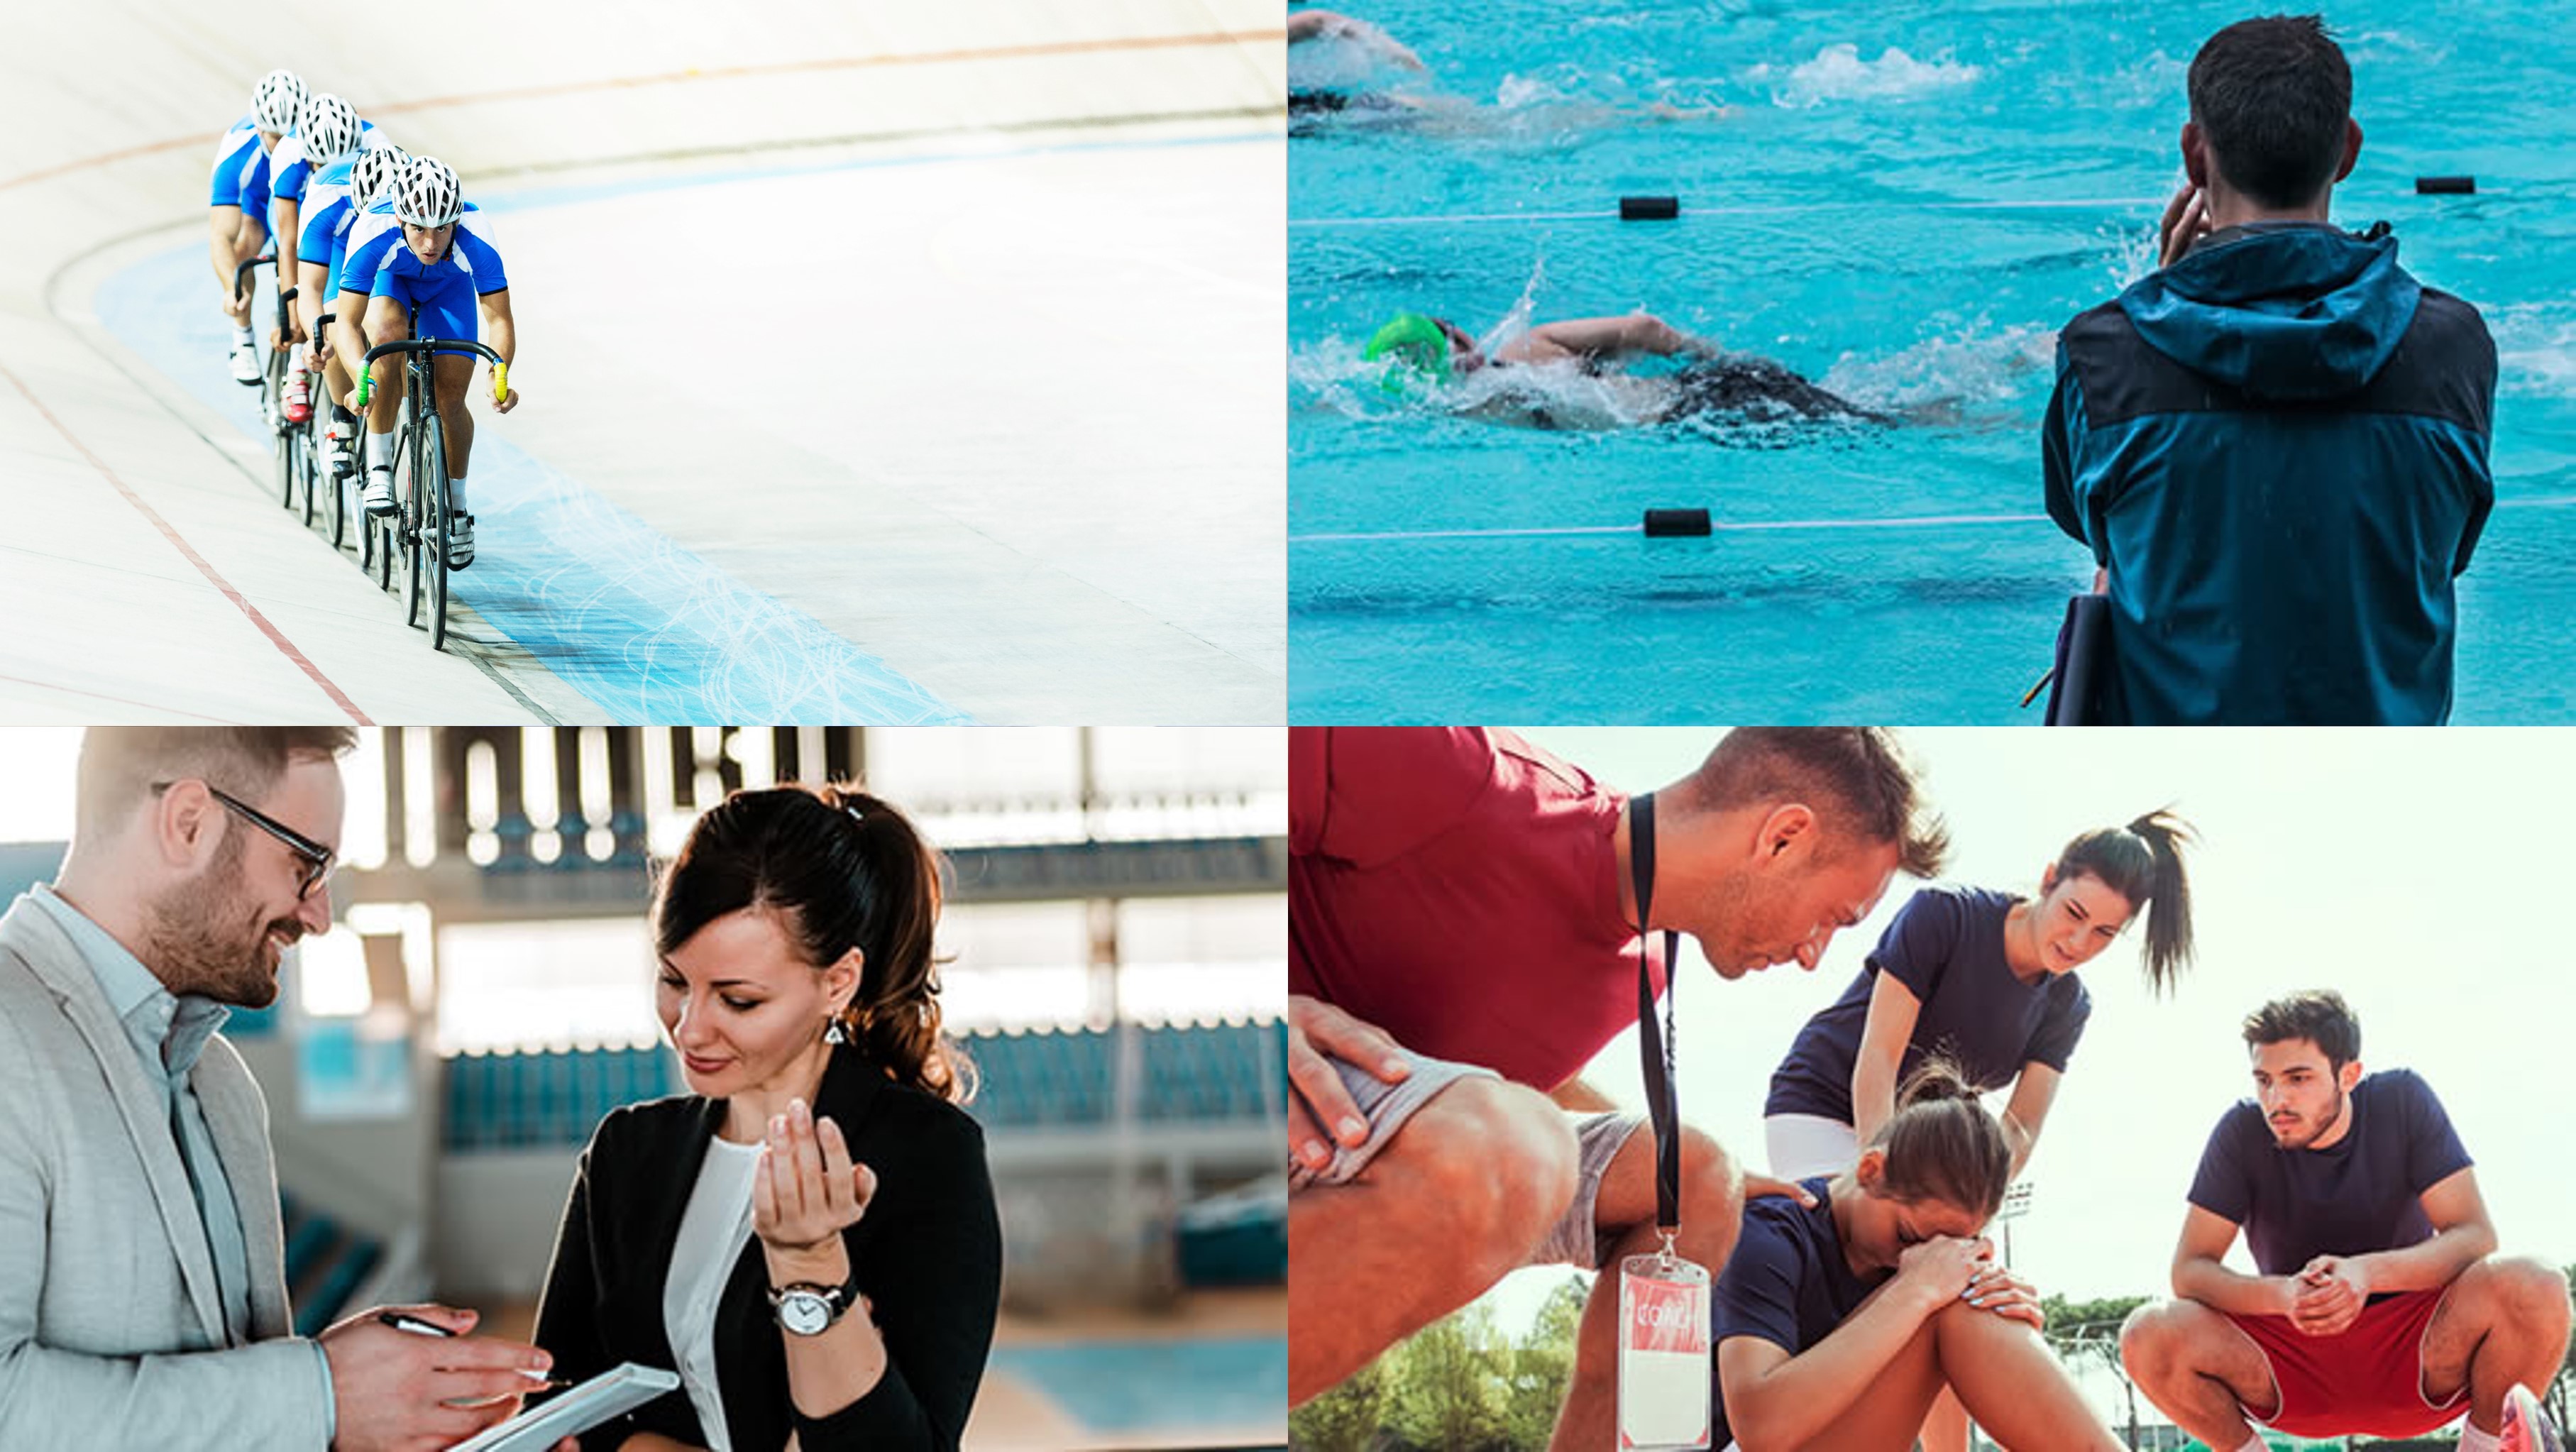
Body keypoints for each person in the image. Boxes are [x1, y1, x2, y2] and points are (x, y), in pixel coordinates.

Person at [1289, 727, 1951, 1451]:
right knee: (1525, 1147)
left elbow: (1511, 1051)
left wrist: (1694, 1176)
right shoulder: (1462, 772)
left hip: (1374, 1126)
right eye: (1831, 918)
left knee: (1698, 1174)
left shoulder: (1645, 969)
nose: (1811, 955)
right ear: (1783, 838)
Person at [0, 727, 561, 1449]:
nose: (318, 914)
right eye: (305, 864)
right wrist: (321, 1393)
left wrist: (367, 1407)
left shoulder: (223, 1084)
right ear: (189, 823)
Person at [2042, 15, 2497, 724]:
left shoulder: (2105, 354)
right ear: (2347, 150)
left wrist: (2160, 298)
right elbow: (2438, 556)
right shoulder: (2452, 345)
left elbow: (2109, 538)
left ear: (2196, 156)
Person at [532, 784, 1001, 1452]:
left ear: (837, 983)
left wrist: (810, 1265)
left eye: (739, 1000)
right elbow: (555, 1409)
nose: (689, 1029)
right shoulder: (626, 1152)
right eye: (673, 981)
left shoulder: (926, 1158)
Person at [1760, 811, 2195, 1452]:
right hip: (1828, 1107)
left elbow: (2018, 1131)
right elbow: (1876, 1060)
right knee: (1892, 1287)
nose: (2079, 942)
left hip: (1929, 1155)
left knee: (1960, 1291)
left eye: (2105, 933)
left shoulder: (2068, 1005)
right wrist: (1888, 1177)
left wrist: (1970, 1223)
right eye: (2074, 913)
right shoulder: (1945, 916)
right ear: (2048, 879)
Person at [2120, 990, 2571, 1452]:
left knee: (2535, 1282)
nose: (2276, 1100)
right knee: (2148, 1332)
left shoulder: (2402, 1100)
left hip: (2419, 1354)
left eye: (2298, 1078)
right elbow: (2190, 1270)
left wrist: (2365, 1274)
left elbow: (2475, 1235)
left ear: (2348, 1075)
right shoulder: (2241, 1131)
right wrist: (2283, 1294)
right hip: (2293, 1367)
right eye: (2264, 1080)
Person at [1710, 1061, 2125, 1451]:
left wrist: (1989, 1302)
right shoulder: (1770, 1234)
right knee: (1940, 1298)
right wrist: (1917, 1291)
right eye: (1908, 1235)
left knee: (1962, 1297)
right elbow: (1759, 1428)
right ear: (1871, 1169)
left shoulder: (1917, 1263)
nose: (1916, 1258)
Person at [353, 156, 519, 570]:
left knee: (449, 397)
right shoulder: (374, 230)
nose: (431, 243)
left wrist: (499, 373)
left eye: (442, 229)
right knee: (386, 337)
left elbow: (499, 319)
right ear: (399, 220)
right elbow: (346, 323)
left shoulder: (477, 238)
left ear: (456, 222)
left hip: (450, 290)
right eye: (419, 229)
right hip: (394, 284)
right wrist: (362, 378)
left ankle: (458, 509)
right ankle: (379, 466)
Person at [1363, 309, 1885, 427]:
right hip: (1712, 389)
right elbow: (1646, 330)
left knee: (1888, 423)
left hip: (1713, 411)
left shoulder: (1463, 412)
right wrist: (1710, 355)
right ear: (1463, 338)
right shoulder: (1528, 347)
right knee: (1874, 418)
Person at [209, 70, 306, 385]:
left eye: (290, 137)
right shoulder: (238, 153)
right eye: (276, 139)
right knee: (244, 245)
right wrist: (230, 287)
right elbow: (221, 235)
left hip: (300, 197)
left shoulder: (315, 141)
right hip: (259, 199)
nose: (283, 148)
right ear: (260, 128)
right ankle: (243, 338)